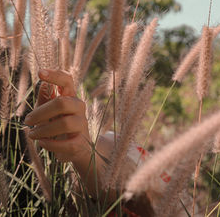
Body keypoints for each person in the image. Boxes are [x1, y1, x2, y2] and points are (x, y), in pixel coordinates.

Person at [24, 69, 155, 216]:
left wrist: (83, 153)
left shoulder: (159, 166)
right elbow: (110, 173)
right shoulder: (112, 144)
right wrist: (82, 155)